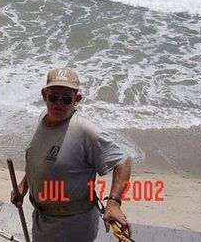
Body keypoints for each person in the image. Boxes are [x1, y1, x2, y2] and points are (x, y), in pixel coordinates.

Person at [11, 67, 133, 242]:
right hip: (42, 220)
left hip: (74, 226)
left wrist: (113, 203)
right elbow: (38, 161)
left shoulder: (86, 131)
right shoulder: (43, 119)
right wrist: (24, 186)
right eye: (53, 97)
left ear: (77, 100)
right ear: (44, 95)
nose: (58, 103)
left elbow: (122, 161)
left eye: (66, 99)